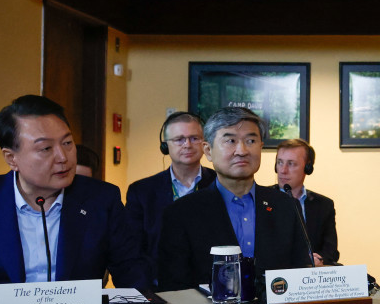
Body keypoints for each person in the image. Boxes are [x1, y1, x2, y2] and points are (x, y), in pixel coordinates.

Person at [0, 95, 147, 288]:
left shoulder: (101, 199)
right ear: (11, 158)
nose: (63, 157)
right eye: (45, 148)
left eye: (68, 143)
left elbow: (133, 276)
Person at [156, 107, 310, 291]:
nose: (242, 150)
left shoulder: (285, 205)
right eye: (230, 141)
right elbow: (173, 285)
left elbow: (302, 272)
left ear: (261, 147)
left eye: (251, 141)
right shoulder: (182, 212)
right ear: (208, 150)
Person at [125, 111, 217, 286]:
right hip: (159, 288)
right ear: (165, 146)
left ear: (205, 143)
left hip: (210, 287)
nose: (187, 145)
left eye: (194, 138)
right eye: (179, 139)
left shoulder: (220, 185)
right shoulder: (142, 192)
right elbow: (132, 251)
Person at [275, 138, 339, 266]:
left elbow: (331, 252)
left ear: (308, 167)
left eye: (291, 163)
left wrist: (318, 260)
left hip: (308, 279)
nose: (283, 170)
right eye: (280, 162)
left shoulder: (324, 205)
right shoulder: (261, 199)